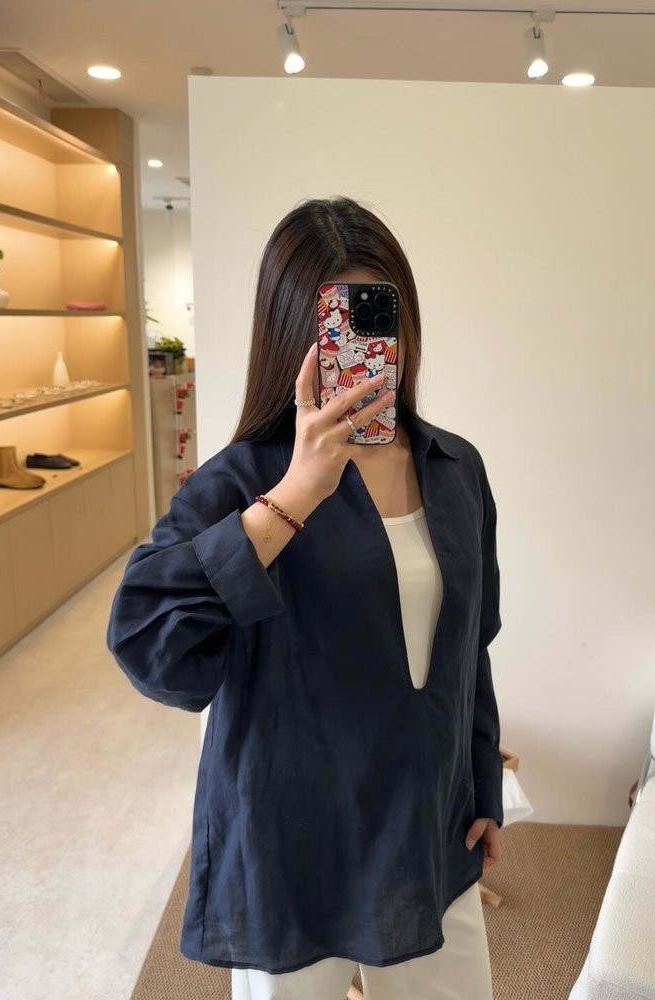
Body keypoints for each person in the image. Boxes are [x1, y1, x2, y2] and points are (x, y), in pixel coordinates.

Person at [107, 196, 505, 1000]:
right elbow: (149, 643)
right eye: (340, 323)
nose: (368, 346)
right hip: (290, 849)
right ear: (298, 335)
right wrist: (294, 496)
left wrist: (484, 787)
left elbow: (470, 651)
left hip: (427, 831)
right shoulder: (242, 482)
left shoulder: (456, 469)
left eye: (381, 317)